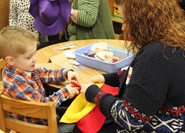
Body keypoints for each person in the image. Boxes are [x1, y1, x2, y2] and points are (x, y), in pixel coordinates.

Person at [78, 0, 185, 132]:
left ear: (141, 21)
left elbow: (130, 119)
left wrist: (95, 94)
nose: (123, 28)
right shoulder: (171, 43)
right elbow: (143, 79)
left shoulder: (157, 56)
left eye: (126, 22)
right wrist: (107, 78)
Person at [0, 26, 80, 132]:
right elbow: (43, 107)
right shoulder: (17, 82)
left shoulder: (21, 67)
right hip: (38, 126)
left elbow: (43, 73)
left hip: (43, 117)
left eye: (34, 54)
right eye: (29, 57)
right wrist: (65, 92)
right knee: (81, 125)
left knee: (78, 113)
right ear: (11, 60)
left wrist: (65, 73)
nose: (34, 59)